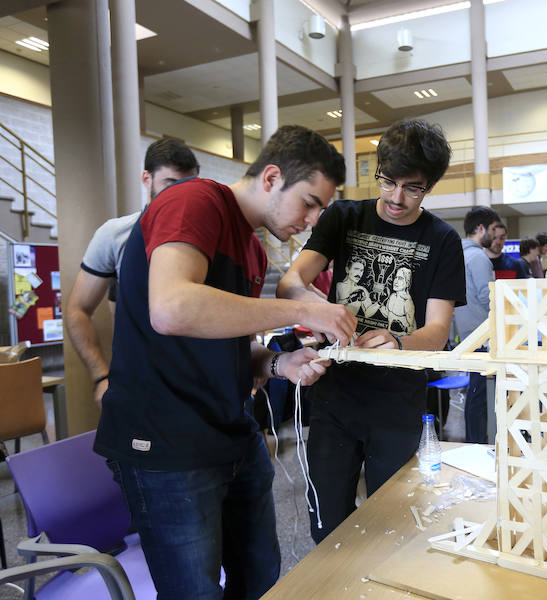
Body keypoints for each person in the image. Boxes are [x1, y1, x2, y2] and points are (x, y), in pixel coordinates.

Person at [93, 125, 357, 599]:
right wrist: (302, 308)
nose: (312, 220)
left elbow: (228, 345)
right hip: (167, 443)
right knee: (194, 591)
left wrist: (279, 364)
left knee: (259, 579)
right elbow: (173, 308)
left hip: (231, 434)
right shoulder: (193, 202)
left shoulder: (252, 247)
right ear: (272, 177)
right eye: (310, 203)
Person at [276, 119, 466, 543]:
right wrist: (322, 312)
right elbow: (290, 283)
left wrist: (398, 340)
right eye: (388, 181)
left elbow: (436, 332)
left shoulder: (442, 240)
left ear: (430, 186)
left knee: (391, 525)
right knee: (327, 525)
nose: (396, 197)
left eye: (412, 187)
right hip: (335, 398)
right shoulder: (345, 217)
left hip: (397, 403)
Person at [65, 138, 199, 406]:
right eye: (169, 185)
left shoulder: (206, 237)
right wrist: (100, 376)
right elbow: (77, 310)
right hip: (138, 382)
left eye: (188, 187)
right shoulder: (115, 235)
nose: (179, 197)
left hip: (199, 384)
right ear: (146, 178)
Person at [453, 206, 501, 443]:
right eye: (492, 230)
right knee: (480, 397)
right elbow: (488, 297)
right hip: (484, 336)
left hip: (468, 336)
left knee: (476, 395)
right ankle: (477, 444)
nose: (494, 235)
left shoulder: (457, 255)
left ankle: (474, 442)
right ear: (481, 228)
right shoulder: (479, 257)